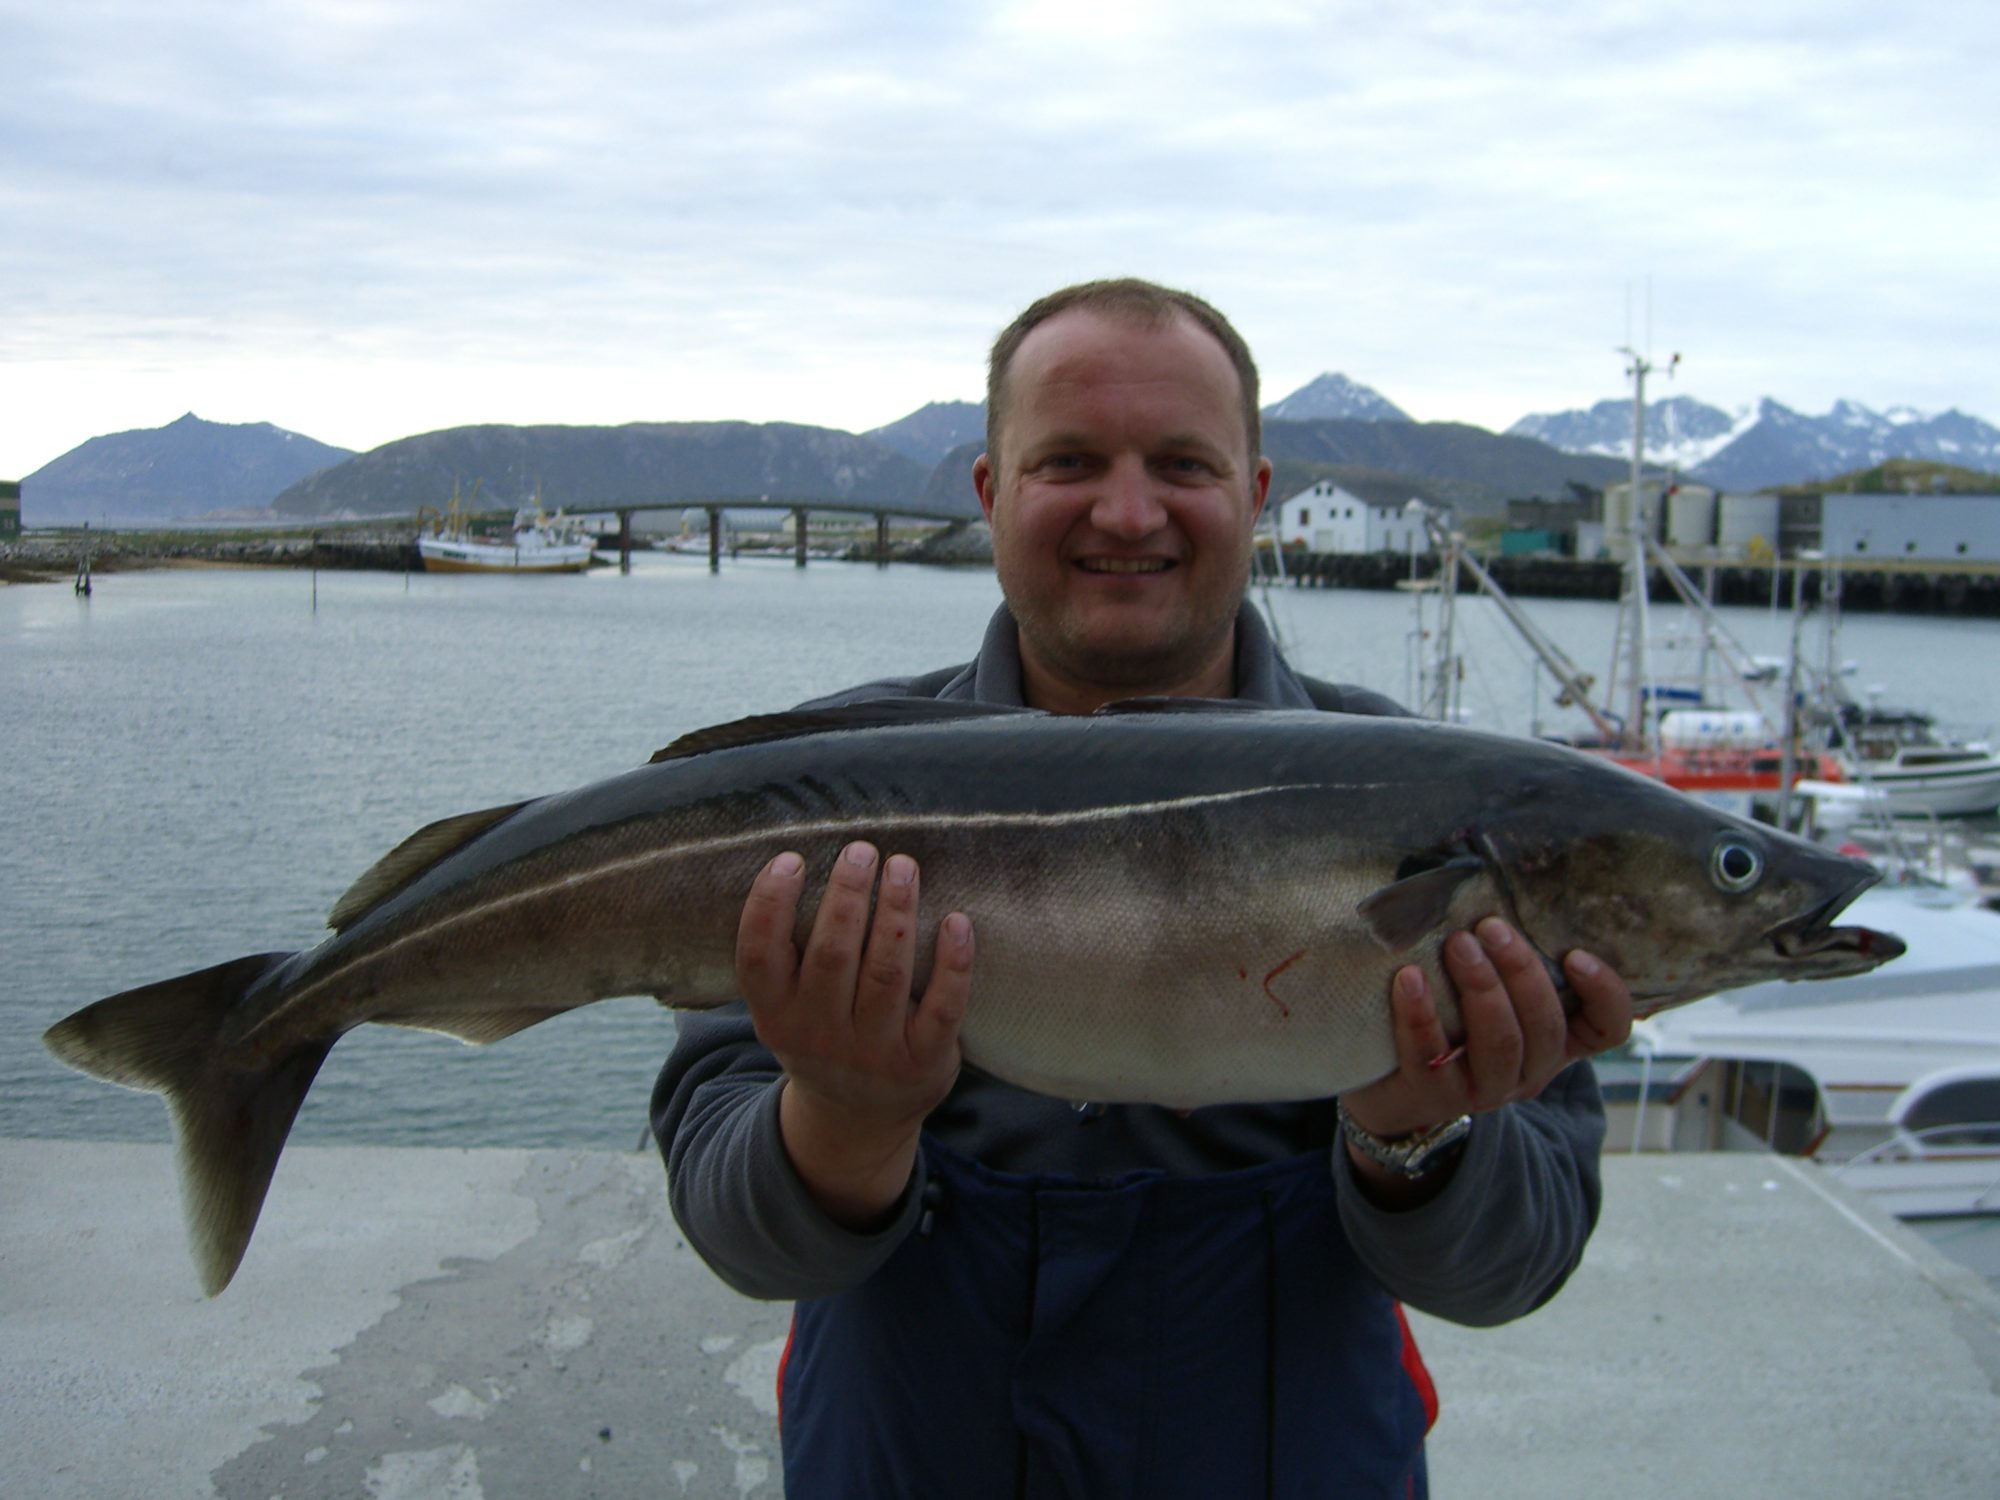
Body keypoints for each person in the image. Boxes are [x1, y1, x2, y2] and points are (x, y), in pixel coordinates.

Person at [653, 278, 1634, 1498]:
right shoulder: (818, 808)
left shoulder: (1448, 821)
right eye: (1067, 460)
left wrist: (1412, 1131)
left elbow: (1509, 1269)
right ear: (990, 492)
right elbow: (739, 1237)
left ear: (1255, 495)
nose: (1128, 510)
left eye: (1182, 463)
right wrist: (844, 1125)